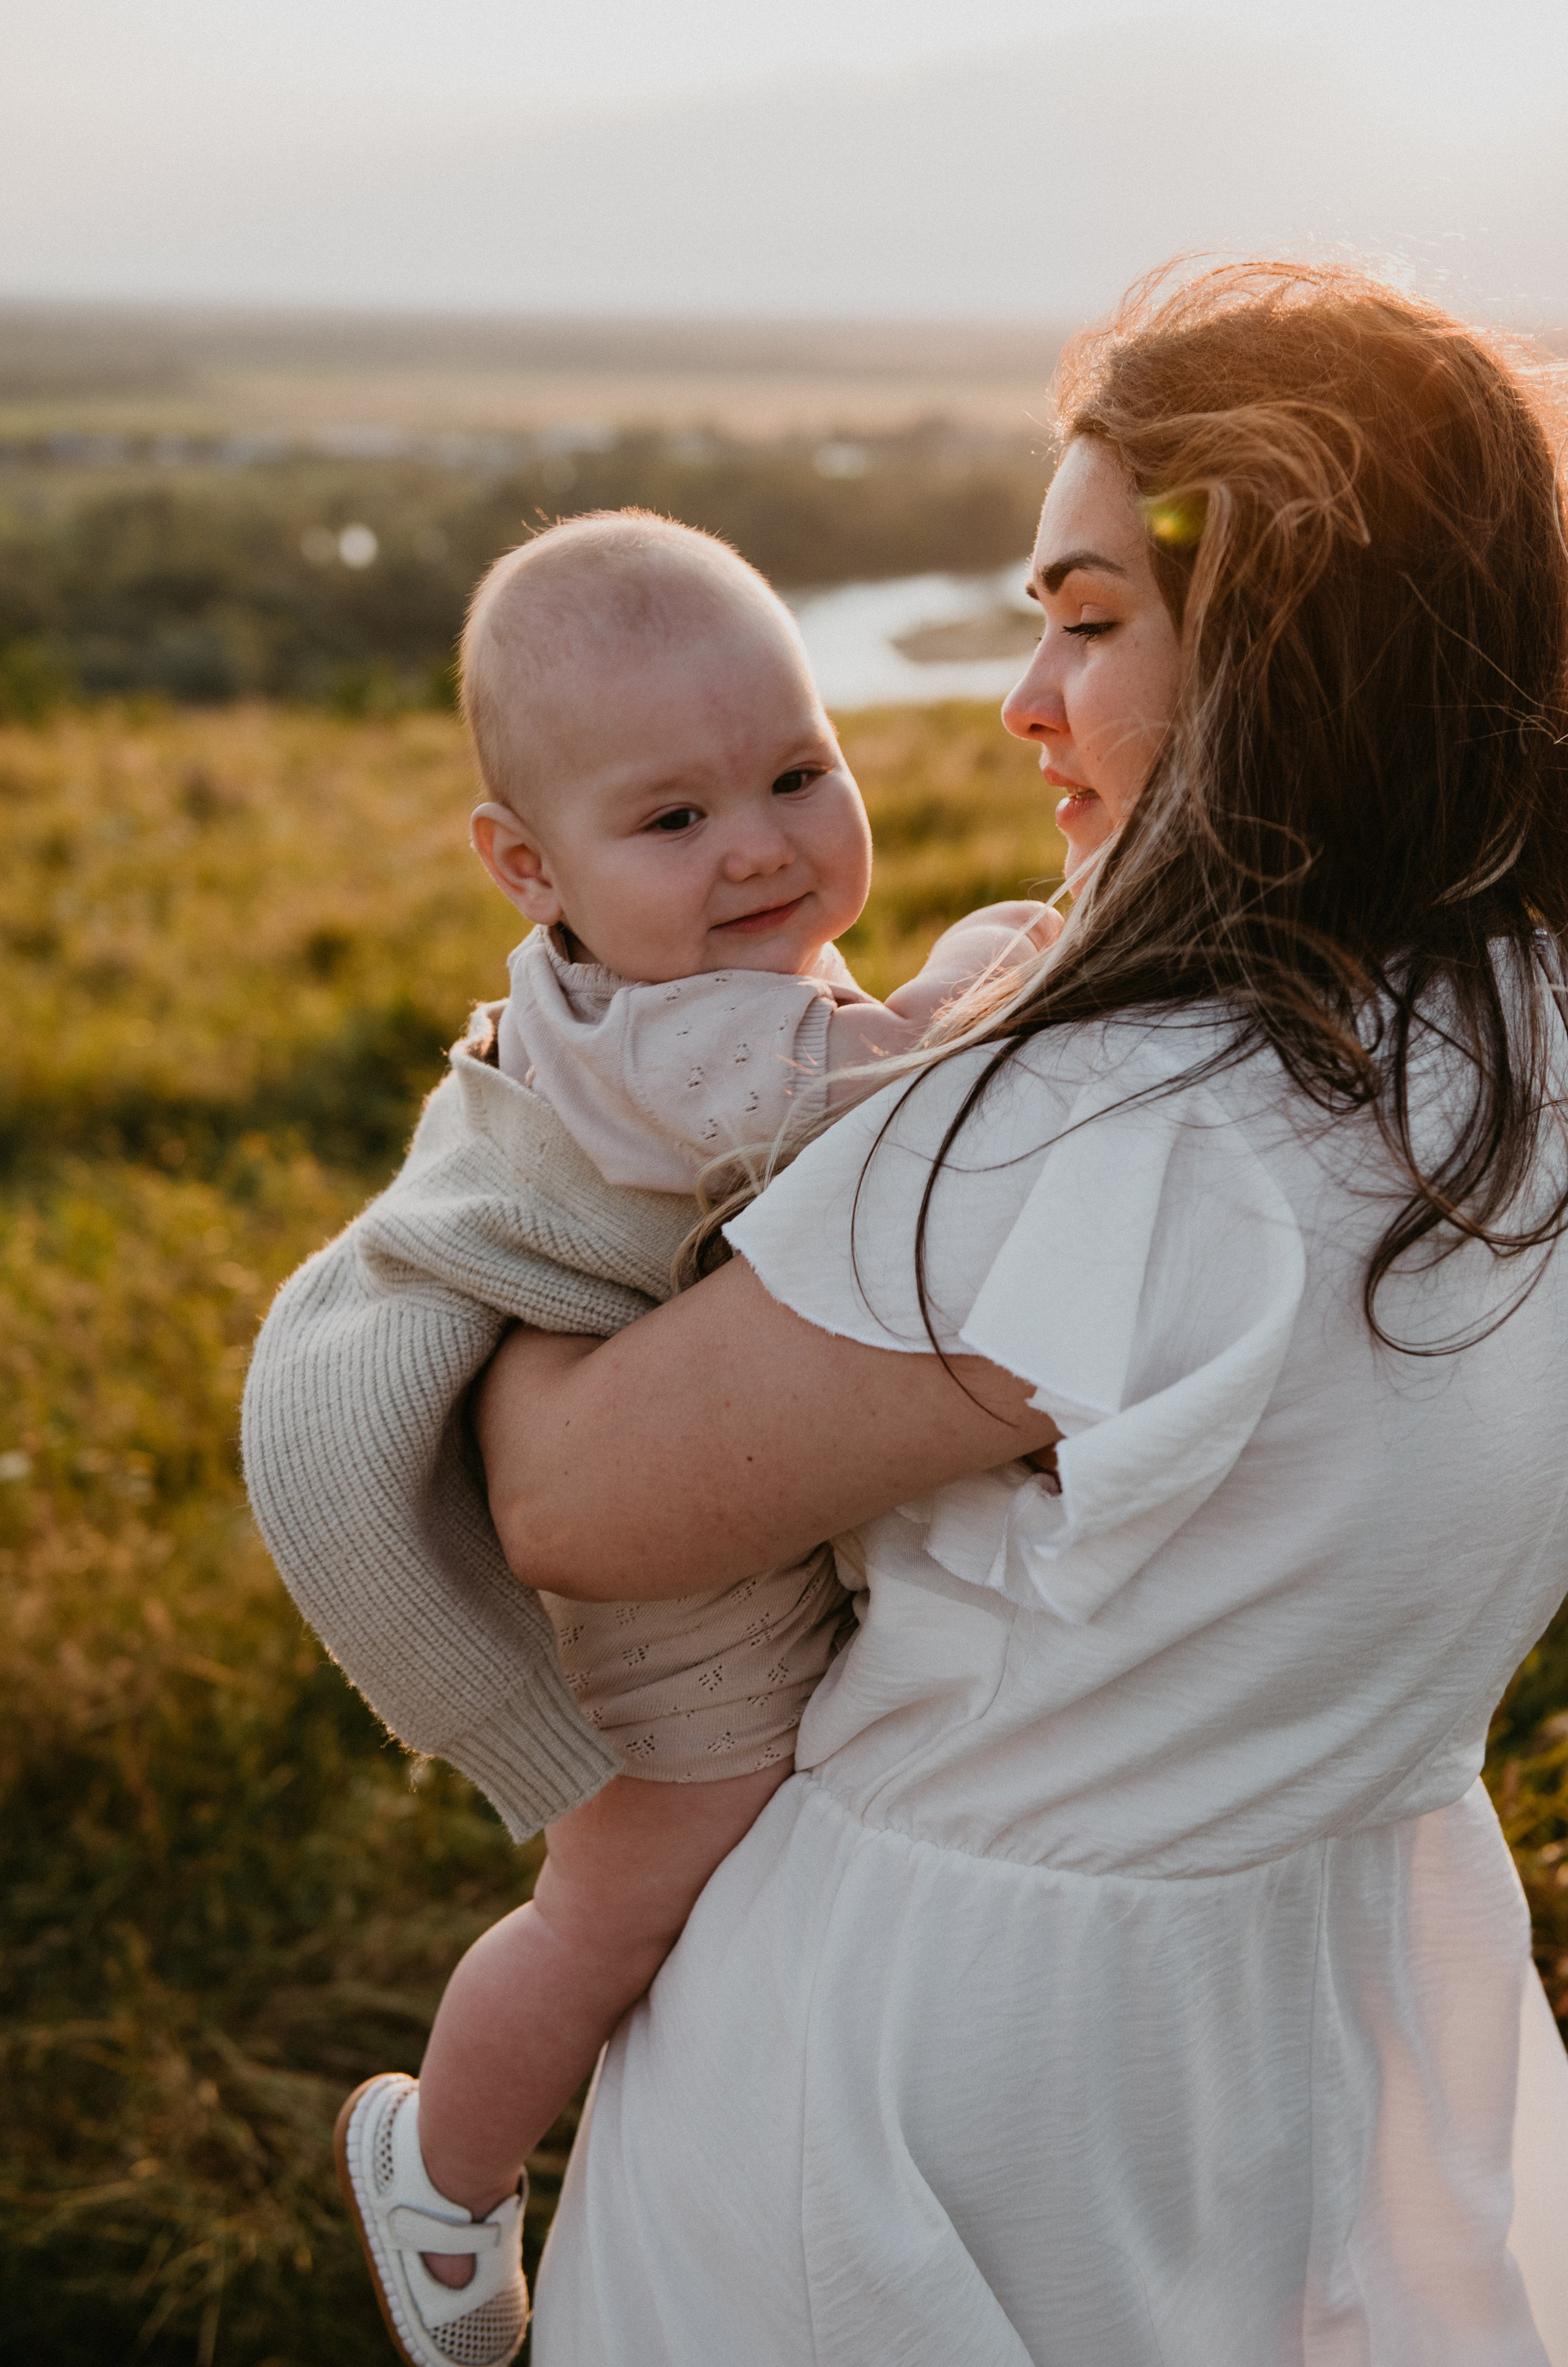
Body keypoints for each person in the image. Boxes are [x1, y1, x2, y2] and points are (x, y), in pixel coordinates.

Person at [469, 265, 1568, 2363]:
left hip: (942, 2099)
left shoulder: (1117, 1128)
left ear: (1281, 652)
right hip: (1356, 2009)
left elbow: (576, 1502)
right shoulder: (1526, 1030)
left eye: (1088, 617)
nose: (1022, 703)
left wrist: (508, 1208)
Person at [243, 512, 1054, 2367]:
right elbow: (910, 1106)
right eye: (674, 820)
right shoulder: (697, 1044)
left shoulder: (704, 986)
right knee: (619, 1902)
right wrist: (1016, 958)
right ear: (528, 870)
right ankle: (441, 2171)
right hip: (664, 1570)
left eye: (796, 771)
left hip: (705, 1461)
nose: (762, 842)